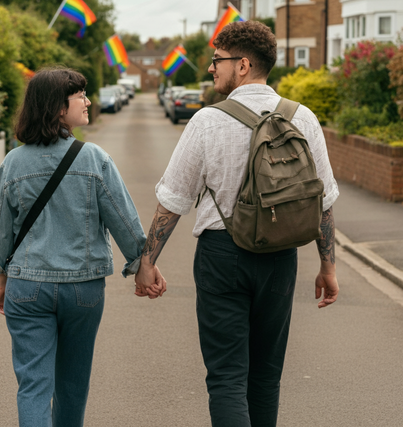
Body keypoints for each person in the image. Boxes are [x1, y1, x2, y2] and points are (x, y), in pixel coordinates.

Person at [135, 21, 340, 427]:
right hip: (281, 258)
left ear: (242, 65)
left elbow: (172, 202)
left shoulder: (207, 121)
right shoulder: (304, 118)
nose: (212, 69)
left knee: (227, 377)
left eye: (218, 61)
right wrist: (328, 267)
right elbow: (323, 202)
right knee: (265, 377)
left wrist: (146, 261)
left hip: (222, 257)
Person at [0, 67, 165, 427]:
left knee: (33, 385)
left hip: (27, 288)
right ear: (58, 107)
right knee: (72, 385)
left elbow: (4, 234)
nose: (88, 101)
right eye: (80, 95)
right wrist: (143, 265)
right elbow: (125, 221)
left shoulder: (12, 163)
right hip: (82, 289)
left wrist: (2, 280)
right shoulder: (94, 159)